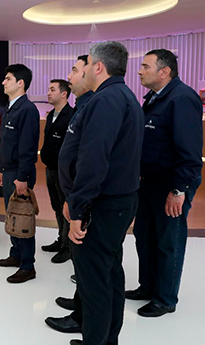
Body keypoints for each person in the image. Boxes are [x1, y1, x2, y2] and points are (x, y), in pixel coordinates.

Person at [59, 42, 144, 345]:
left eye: (86, 65)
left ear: (98, 66)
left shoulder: (105, 100)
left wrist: (78, 208)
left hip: (102, 204)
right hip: (117, 202)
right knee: (109, 273)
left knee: (94, 281)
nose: (82, 71)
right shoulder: (125, 96)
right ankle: (106, 339)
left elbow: (94, 160)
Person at [126, 49, 203, 318]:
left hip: (171, 183)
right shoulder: (154, 99)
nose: (140, 71)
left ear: (164, 71)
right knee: (145, 236)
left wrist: (179, 189)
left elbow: (190, 152)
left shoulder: (182, 99)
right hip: (149, 182)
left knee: (168, 241)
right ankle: (148, 287)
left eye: (145, 66)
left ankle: (165, 298)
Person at [45, 55, 91, 335]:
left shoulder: (87, 109)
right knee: (58, 208)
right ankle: (79, 305)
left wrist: (76, 198)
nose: (70, 75)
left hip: (80, 190)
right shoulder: (82, 107)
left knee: (91, 258)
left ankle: (86, 320)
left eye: (75, 70)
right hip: (61, 177)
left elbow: (89, 159)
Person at [0, 64, 40, 284]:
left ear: (20, 83)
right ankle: (16, 254)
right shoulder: (11, 108)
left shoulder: (27, 109)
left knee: (22, 216)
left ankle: (28, 265)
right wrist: (2, 169)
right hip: (8, 171)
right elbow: (7, 143)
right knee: (12, 213)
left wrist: (22, 177)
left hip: (20, 174)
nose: (3, 82)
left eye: (8, 79)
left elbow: (28, 148)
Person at [40, 79, 73, 264]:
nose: (48, 93)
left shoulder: (71, 115)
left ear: (64, 93)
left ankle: (67, 247)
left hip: (63, 171)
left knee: (65, 207)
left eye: (52, 89)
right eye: (48, 89)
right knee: (56, 206)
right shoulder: (51, 114)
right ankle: (61, 239)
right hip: (50, 168)